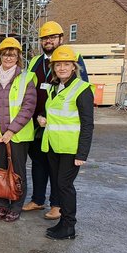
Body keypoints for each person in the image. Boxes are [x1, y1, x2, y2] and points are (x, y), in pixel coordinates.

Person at [23, 21, 88, 220]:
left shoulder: (73, 60)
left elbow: (80, 92)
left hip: (60, 125)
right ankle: (37, 199)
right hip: (38, 123)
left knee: (57, 168)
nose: (48, 41)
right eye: (45, 38)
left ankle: (57, 205)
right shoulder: (35, 62)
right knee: (38, 162)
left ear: (61, 38)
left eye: (52, 37)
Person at [38, 45, 94, 239]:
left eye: (66, 64)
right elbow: (53, 111)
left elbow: (88, 124)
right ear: (53, 67)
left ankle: (69, 226)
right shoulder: (55, 87)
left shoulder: (82, 89)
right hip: (54, 145)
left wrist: (82, 154)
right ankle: (63, 222)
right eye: (58, 64)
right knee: (58, 183)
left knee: (64, 185)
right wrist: (42, 118)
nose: (62, 68)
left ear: (74, 67)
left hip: (71, 148)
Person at [0, 37, 36, 222]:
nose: (9, 58)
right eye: (5, 54)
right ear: (0, 56)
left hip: (17, 136)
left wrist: (11, 131)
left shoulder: (26, 78)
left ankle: (16, 206)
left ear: (18, 56)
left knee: (17, 172)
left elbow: (28, 107)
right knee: (0, 171)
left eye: (12, 54)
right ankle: (3, 205)